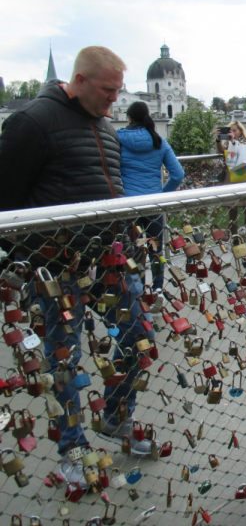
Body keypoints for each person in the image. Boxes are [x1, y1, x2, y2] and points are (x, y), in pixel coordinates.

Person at [0, 46, 158, 487]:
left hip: (107, 262)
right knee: (64, 363)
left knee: (140, 341)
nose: (115, 100)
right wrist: (30, 257)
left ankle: (113, 417)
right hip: (58, 268)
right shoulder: (31, 122)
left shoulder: (103, 124)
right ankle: (73, 450)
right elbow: (6, 202)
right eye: (108, 91)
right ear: (81, 80)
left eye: (118, 92)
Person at [118, 101, 184, 290]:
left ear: (129, 118)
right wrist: (161, 196)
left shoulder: (118, 139)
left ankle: (138, 291)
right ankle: (157, 290)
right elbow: (178, 174)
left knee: (134, 250)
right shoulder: (159, 141)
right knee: (156, 248)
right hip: (154, 204)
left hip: (128, 204)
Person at [215, 120, 246, 244]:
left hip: (244, 176)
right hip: (231, 177)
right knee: (232, 210)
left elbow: (243, 150)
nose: (233, 132)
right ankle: (235, 237)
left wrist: (233, 141)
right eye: (230, 130)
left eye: (235, 130)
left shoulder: (245, 141)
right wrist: (218, 140)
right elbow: (221, 151)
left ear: (240, 131)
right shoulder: (227, 143)